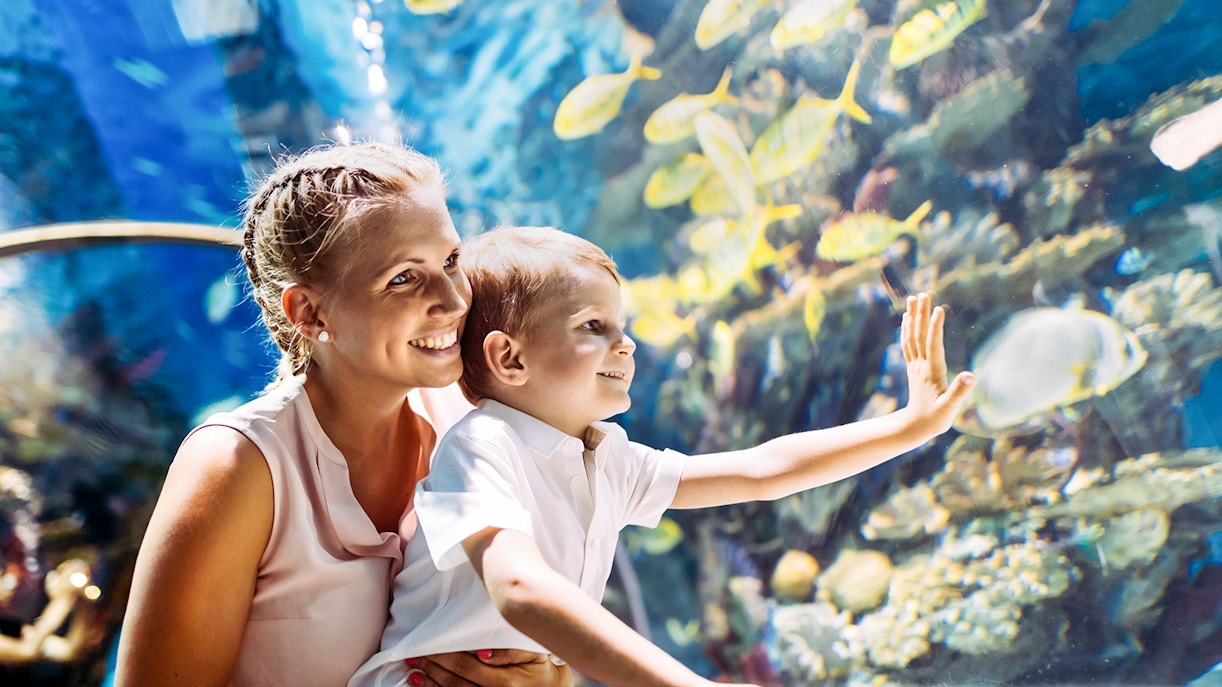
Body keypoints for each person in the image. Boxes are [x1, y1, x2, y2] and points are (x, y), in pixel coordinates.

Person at [349, 226, 976, 687]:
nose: (627, 345)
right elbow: (518, 588)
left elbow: (761, 471)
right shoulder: (485, 444)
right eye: (594, 326)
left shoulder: (606, 458)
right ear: (510, 359)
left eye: (623, 327)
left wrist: (906, 428)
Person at [114, 143, 572, 687]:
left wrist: (540, 677)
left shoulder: (480, 421)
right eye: (404, 277)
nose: (453, 302)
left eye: (451, 262)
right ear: (309, 312)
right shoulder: (239, 466)